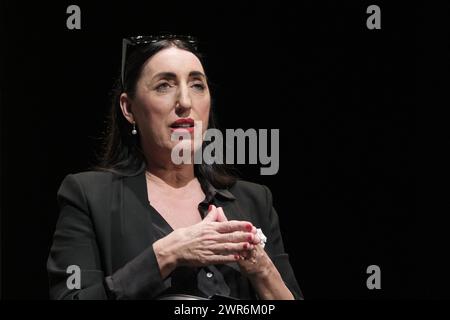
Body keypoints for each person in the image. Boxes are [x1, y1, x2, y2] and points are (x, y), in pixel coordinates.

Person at [47, 34, 303, 300]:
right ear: (128, 108)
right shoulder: (89, 196)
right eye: (164, 86)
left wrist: (261, 269)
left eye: (196, 85)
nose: (185, 102)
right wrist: (168, 254)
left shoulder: (254, 200)